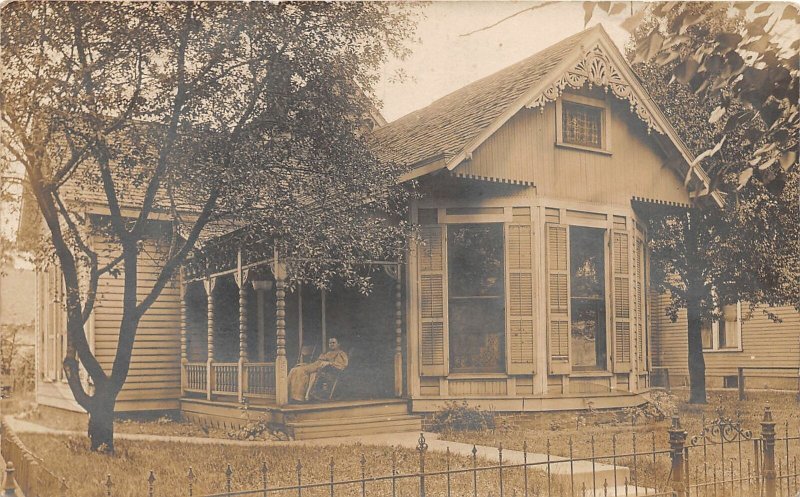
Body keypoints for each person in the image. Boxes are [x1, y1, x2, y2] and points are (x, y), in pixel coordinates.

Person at [288, 337, 348, 402]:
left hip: (327, 371)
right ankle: (293, 395)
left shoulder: (341, 353)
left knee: (301, 370)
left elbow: (342, 365)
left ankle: (299, 397)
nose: (331, 344)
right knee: (294, 370)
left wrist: (329, 363)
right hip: (317, 366)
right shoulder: (327, 353)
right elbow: (319, 360)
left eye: (333, 343)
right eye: (330, 343)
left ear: (338, 344)